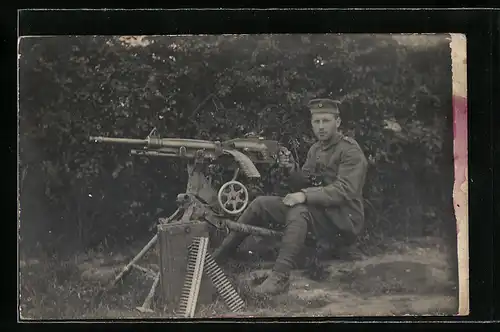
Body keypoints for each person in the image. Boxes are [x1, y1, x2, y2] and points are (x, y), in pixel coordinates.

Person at [212, 98, 369, 296]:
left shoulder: (350, 151)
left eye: (326, 121)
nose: (320, 127)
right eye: (316, 122)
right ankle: (217, 260)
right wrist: (291, 169)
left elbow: (345, 190)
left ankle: (280, 277)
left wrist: (303, 195)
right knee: (261, 204)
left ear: (337, 122)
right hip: (322, 214)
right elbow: (306, 180)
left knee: (299, 211)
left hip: (343, 220)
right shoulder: (316, 149)